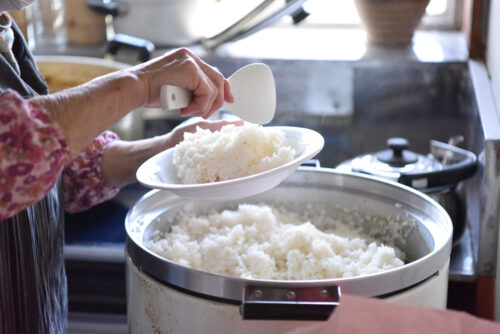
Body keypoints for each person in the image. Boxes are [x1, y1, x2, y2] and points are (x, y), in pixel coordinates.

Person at [0, 1, 238, 332]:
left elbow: (55, 169)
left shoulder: (5, 32)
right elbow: (10, 152)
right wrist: (136, 85)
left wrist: (172, 149)